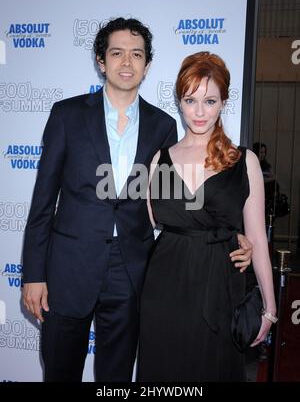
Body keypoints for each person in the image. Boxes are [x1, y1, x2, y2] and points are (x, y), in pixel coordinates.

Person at [22, 19, 252, 382]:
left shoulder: (163, 126)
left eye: (136, 54)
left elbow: (177, 202)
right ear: (101, 60)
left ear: (146, 65)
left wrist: (230, 235)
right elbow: (42, 202)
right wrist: (33, 274)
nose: (126, 62)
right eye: (117, 53)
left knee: (116, 378)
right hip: (69, 269)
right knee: (60, 372)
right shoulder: (67, 115)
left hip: (132, 273)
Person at [138, 52, 277, 382]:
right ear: (180, 101)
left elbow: (257, 239)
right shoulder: (159, 159)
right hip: (164, 290)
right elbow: (150, 223)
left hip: (220, 289)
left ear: (223, 101)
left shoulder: (245, 162)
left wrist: (269, 308)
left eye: (210, 100)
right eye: (190, 100)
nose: (199, 112)